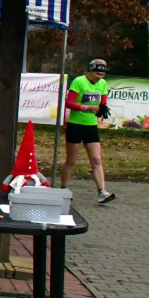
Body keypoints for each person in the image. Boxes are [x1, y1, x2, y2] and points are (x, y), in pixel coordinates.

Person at [60, 59, 115, 203]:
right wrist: (85, 108)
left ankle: (102, 191)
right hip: (75, 124)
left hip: (91, 125)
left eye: (102, 74)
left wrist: (102, 109)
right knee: (71, 159)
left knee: (96, 159)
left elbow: (103, 102)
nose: (99, 77)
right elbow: (69, 102)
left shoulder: (102, 84)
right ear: (90, 71)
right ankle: (63, 188)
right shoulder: (79, 81)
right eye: (97, 74)